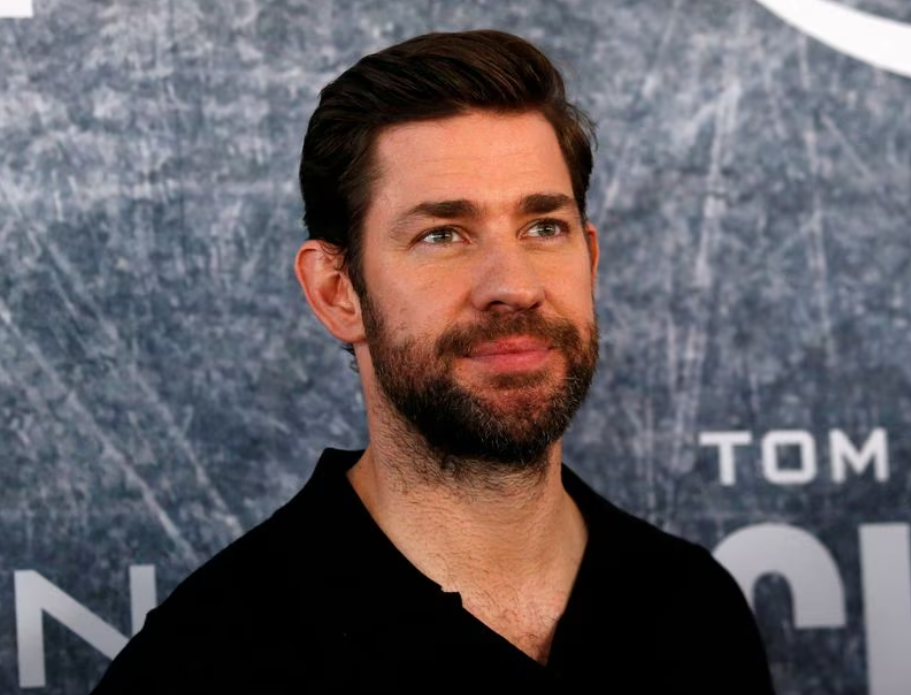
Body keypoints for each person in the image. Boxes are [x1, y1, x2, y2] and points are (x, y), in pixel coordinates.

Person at [92, 29, 775, 692]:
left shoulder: (692, 607)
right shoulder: (207, 662)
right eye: (443, 233)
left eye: (543, 227)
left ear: (590, 259)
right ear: (338, 292)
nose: (514, 284)